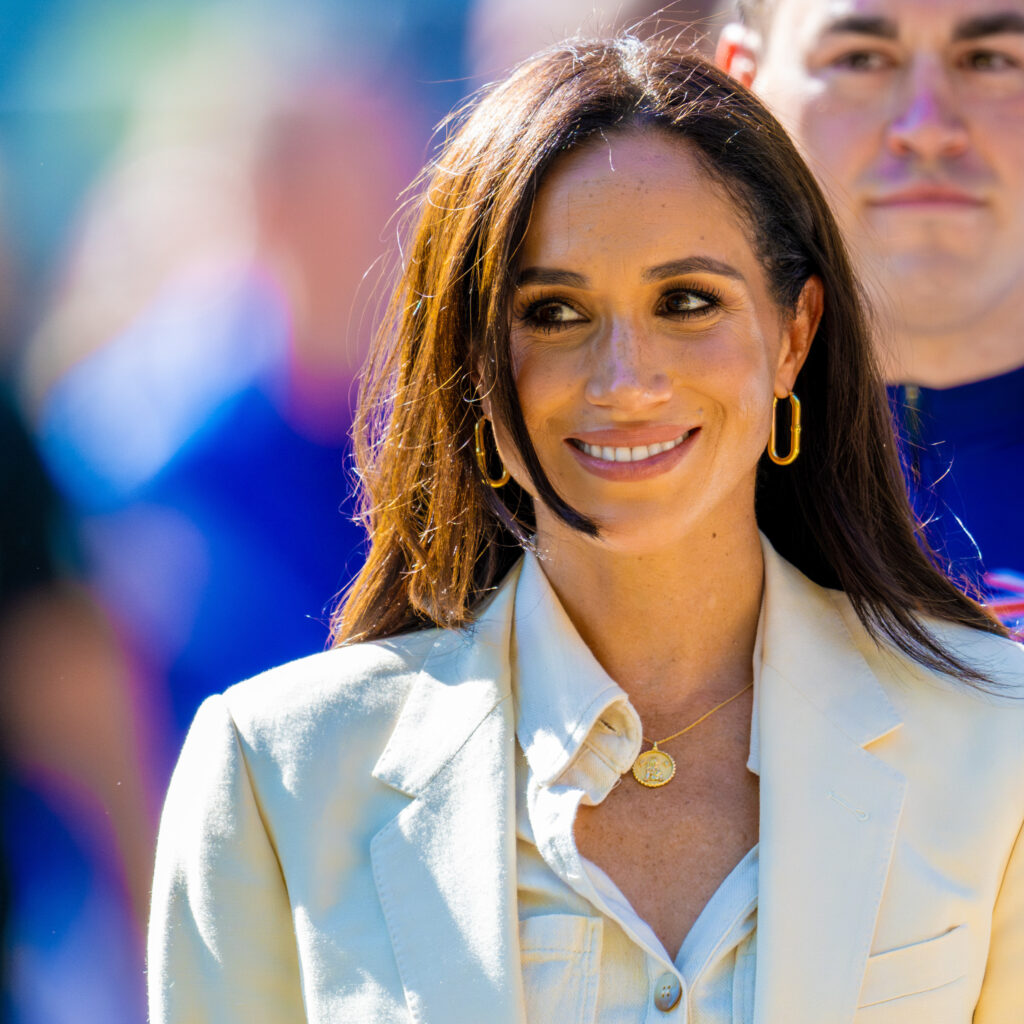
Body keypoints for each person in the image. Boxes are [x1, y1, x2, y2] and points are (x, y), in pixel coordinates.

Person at [148, 38, 1024, 1023]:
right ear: (474, 362)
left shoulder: (996, 744)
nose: (624, 380)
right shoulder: (274, 775)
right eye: (555, 312)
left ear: (794, 334)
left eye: (686, 302)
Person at [717, 0, 1024, 632]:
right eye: (860, 59)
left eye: (991, 60)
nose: (928, 127)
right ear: (742, 87)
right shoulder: (613, 451)